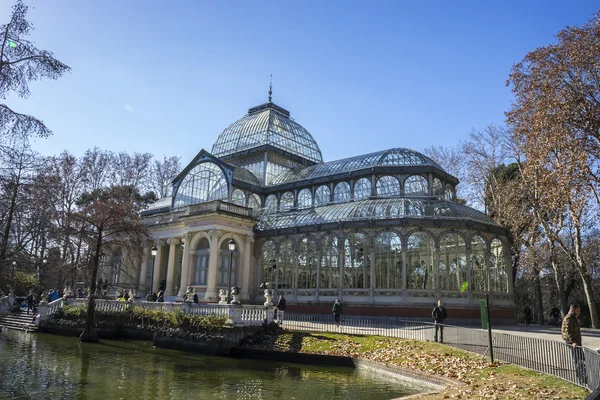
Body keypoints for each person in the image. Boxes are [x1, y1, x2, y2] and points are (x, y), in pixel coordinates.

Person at [561, 304, 587, 385]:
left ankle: (582, 374)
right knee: (577, 358)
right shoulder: (569, 318)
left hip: (576, 341)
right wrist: (573, 342)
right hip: (573, 342)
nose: (579, 312)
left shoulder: (573, 317)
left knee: (581, 358)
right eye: (578, 310)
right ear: (573, 310)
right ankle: (580, 376)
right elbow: (568, 331)